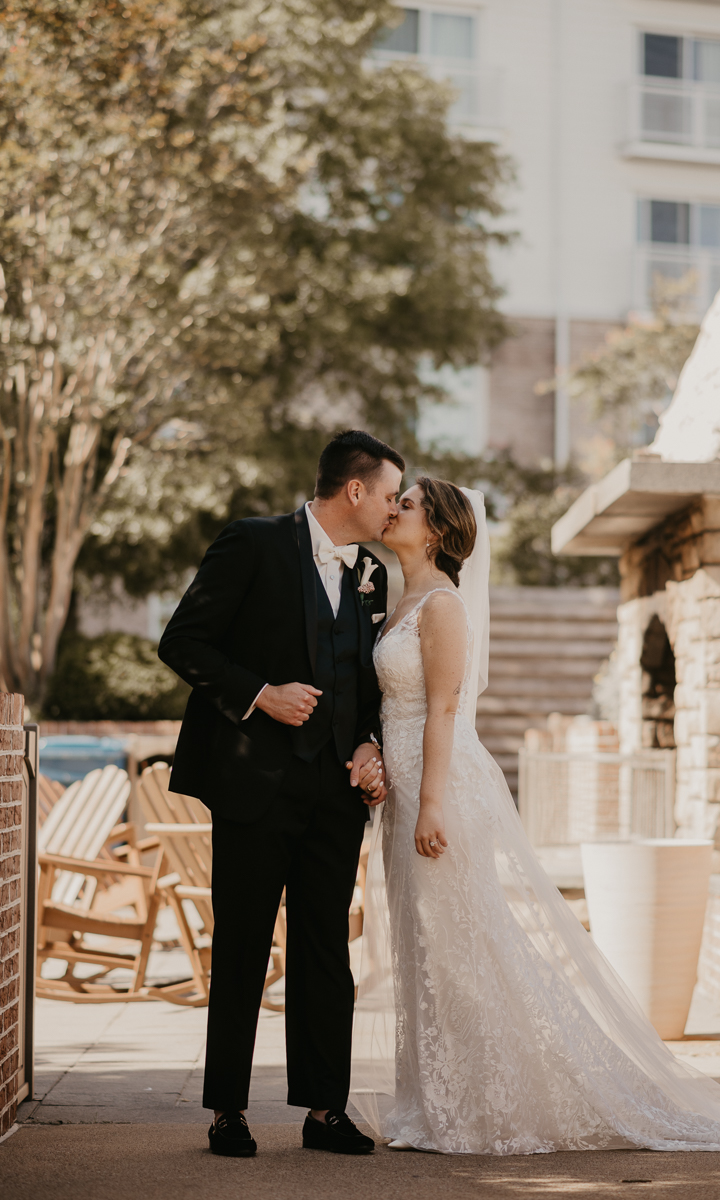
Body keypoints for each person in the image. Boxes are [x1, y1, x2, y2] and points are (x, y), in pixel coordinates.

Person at [352, 477, 720, 1155]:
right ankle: (436, 1102)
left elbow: (443, 710)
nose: (393, 509)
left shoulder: (442, 606)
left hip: (442, 791)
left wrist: (433, 802)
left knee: (465, 951)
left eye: (407, 503)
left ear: (438, 530)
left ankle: (487, 1108)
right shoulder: (397, 600)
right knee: (426, 952)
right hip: (409, 787)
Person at [158, 430, 403, 1158]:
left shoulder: (373, 575)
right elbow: (183, 643)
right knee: (242, 946)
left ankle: (325, 1111)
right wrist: (261, 694)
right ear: (353, 491)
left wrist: (366, 743)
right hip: (253, 787)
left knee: (327, 950)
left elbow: (364, 686)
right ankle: (227, 1111)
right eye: (390, 494)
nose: (395, 508)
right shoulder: (253, 543)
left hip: (334, 794)